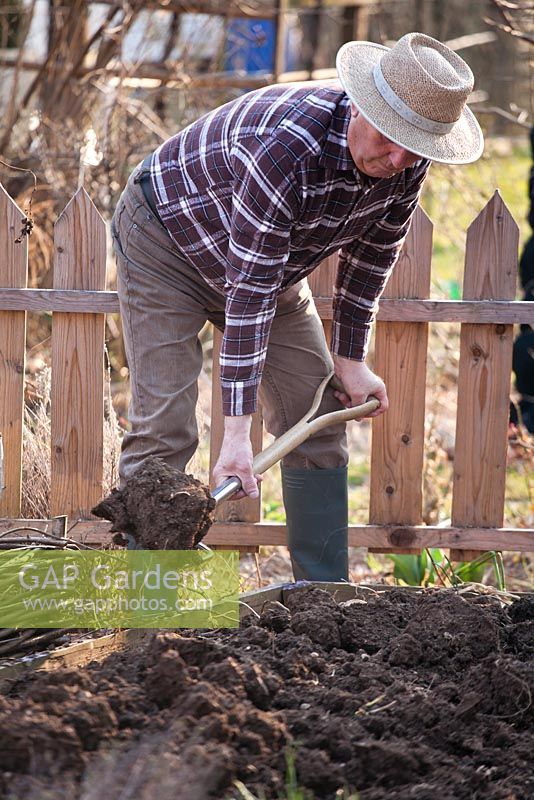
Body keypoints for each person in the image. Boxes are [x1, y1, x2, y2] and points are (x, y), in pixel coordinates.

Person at [111, 32, 484, 581]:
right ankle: (151, 595)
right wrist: (237, 438)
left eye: (416, 147)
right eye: (389, 137)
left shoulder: (404, 160)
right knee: (165, 426)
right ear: (361, 104)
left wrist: (351, 359)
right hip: (169, 240)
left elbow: (372, 255)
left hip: (268, 262)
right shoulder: (289, 146)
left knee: (317, 410)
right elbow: (250, 292)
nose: (398, 158)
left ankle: (322, 594)